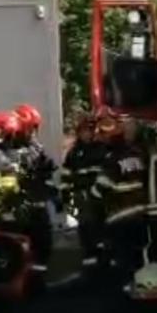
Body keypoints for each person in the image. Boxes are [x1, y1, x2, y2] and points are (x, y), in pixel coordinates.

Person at [92, 113, 157, 291]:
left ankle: (125, 290)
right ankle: (139, 283)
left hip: (119, 216)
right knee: (138, 253)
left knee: (123, 257)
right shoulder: (138, 155)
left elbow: (99, 190)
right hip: (139, 215)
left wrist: (92, 201)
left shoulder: (112, 159)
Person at [13, 104, 59, 287]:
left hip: (38, 207)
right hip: (20, 208)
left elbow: (47, 176)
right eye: (29, 128)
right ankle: (21, 281)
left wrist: (55, 196)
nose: (32, 132)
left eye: (34, 128)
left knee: (43, 245)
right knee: (21, 247)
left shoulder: (37, 148)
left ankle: (37, 282)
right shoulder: (10, 149)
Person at [61, 112, 104, 276]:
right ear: (79, 132)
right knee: (86, 229)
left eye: (91, 130)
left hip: (100, 196)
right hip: (82, 196)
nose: (88, 134)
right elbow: (66, 176)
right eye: (85, 130)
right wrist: (65, 195)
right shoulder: (74, 153)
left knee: (101, 229)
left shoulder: (101, 149)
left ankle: (102, 262)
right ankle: (89, 264)